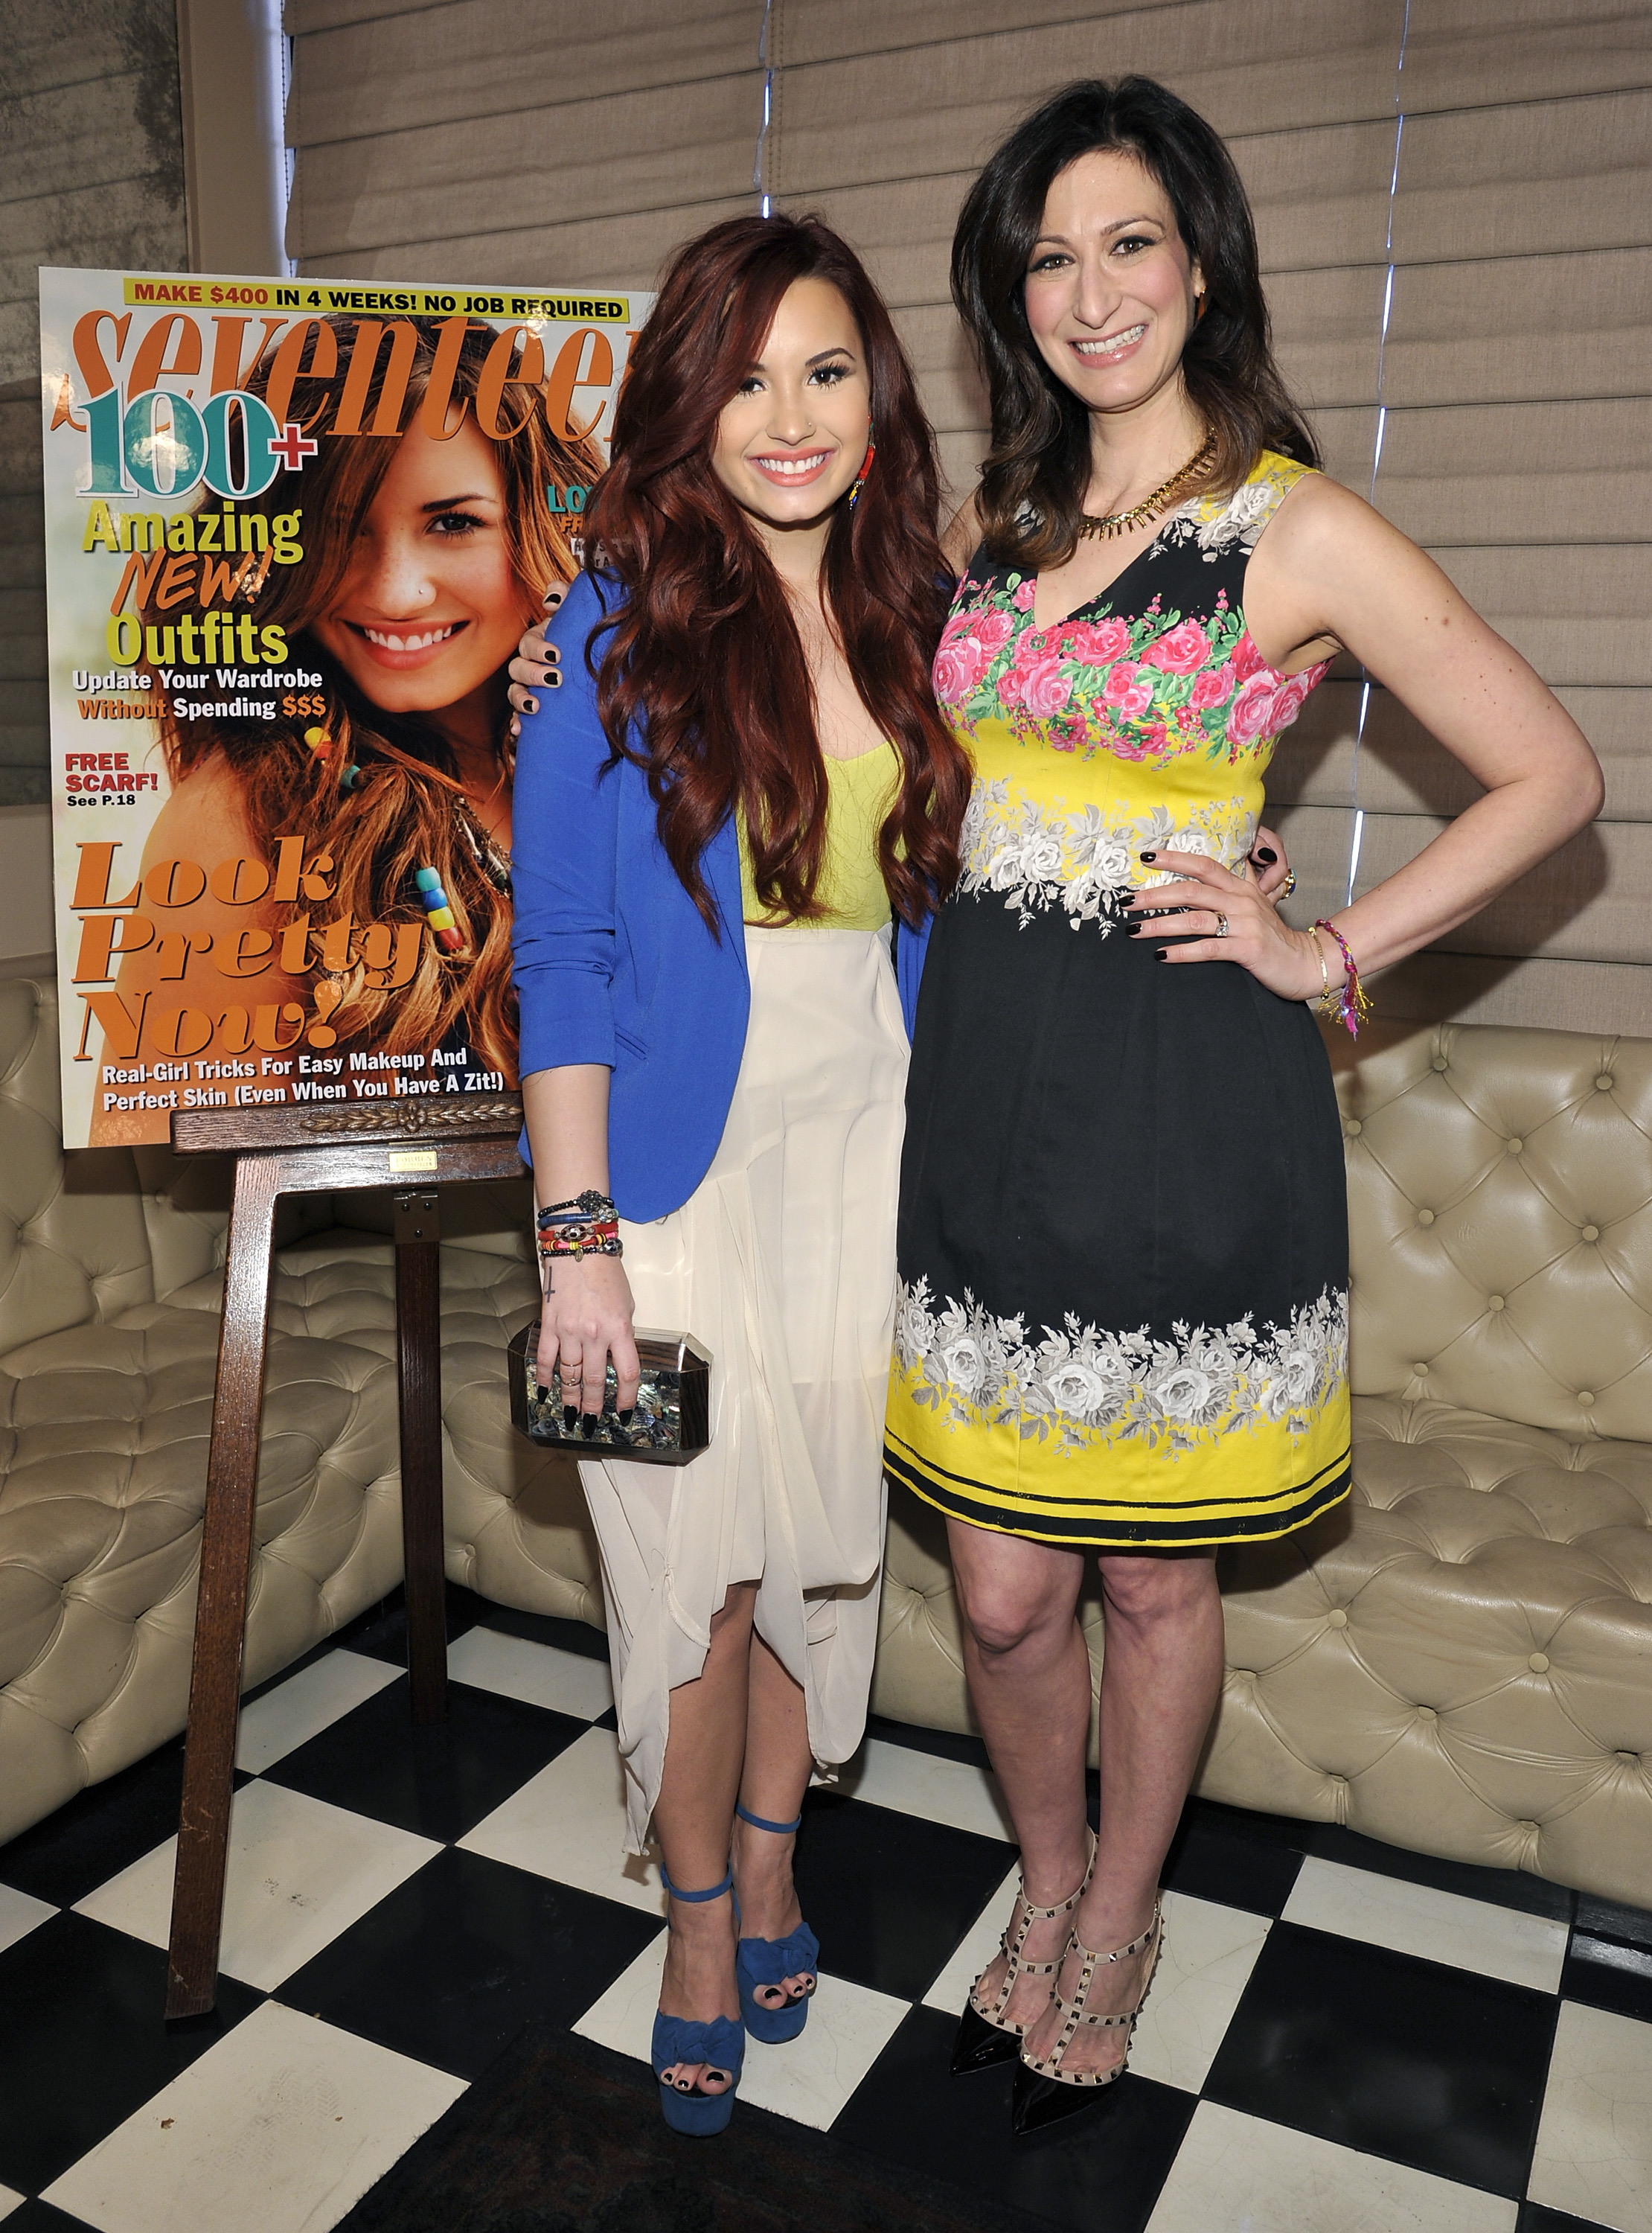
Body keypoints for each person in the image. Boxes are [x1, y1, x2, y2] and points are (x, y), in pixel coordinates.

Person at [885, 75, 1603, 2135]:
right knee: (1001, 1587)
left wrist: (1323, 946)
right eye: (1048, 257)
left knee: (1148, 1577)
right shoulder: (987, 530)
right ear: (1010, 295)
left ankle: (1116, 1922)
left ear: (1201, 265)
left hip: (1181, 1103)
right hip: (984, 1100)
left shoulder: (1298, 527)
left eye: (1128, 243)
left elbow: (1552, 777)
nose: (1090, 292)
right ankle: (1041, 1881)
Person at [510, 214, 976, 2135]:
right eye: (746, 377)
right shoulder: (606, 636)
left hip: (867, 1146)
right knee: (685, 1582)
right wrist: (577, 1244)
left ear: (879, 398)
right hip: (662, 1178)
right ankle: (697, 1916)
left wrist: (1240, 866)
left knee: (817, 1553)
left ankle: (776, 1863)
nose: (789, 417)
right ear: (686, 408)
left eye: (827, 370)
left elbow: (1035, 850)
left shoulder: (931, 617)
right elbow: (562, 955)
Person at [89, 318, 601, 1143]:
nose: (396, 593)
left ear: (546, 524)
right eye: (338, 528)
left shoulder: (632, 761)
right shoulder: (243, 819)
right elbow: (166, 1170)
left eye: (452, 523)